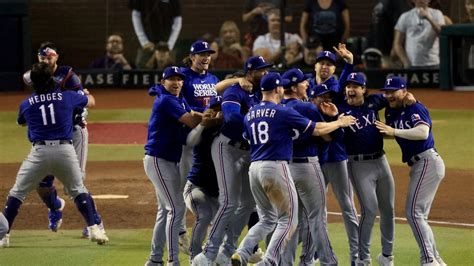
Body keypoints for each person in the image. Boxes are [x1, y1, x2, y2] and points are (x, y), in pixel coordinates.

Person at [230, 72, 355, 265]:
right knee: (300, 219)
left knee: (269, 219)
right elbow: (321, 132)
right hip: (286, 167)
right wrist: (339, 121)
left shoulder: (250, 113)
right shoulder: (288, 111)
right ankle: (283, 261)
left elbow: (247, 138)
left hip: (255, 168)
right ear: (278, 88)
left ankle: (244, 252)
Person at [0, 62, 107, 248]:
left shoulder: (26, 103)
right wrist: (85, 93)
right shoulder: (67, 96)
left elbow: (21, 122)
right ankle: (94, 228)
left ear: (33, 83)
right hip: (65, 151)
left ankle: (4, 236)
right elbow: (88, 101)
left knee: (18, 192)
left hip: (39, 153)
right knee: (77, 189)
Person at [192, 56, 272, 265]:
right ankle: (207, 254)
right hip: (226, 147)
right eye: (261, 70)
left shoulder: (262, 94)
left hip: (248, 151)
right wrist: (256, 120)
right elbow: (231, 117)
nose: (265, 73)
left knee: (248, 203)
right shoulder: (235, 91)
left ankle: (227, 250)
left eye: (267, 70)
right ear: (249, 72)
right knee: (229, 201)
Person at [23, 42, 106, 239]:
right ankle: (55, 206)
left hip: (74, 132)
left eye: (50, 56)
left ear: (57, 57)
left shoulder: (67, 75)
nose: (47, 60)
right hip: (48, 134)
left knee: (75, 183)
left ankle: (97, 223)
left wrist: (81, 101)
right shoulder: (32, 75)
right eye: (43, 57)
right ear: (38, 59)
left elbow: (87, 100)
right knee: (41, 183)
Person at [143, 66, 217, 266]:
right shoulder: (167, 100)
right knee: (176, 209)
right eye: (171, 79)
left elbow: (194, 112)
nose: (176, 82)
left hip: (165, 160)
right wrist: (214, 118)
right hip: (159, 159)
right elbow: (192, 121)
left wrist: (205, 114)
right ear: (163, 82)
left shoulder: (177, 99)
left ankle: (155, 259)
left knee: (164, 210)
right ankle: (172, 261)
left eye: (179, 79)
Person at [376, 77, 447, 266]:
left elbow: (422, 132)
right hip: (419, 165)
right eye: (386, 91)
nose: (389, 95)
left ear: (404, 91)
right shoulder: (392, 111)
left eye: (393, 91)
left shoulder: (415, 107)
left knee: (414, 213)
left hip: (427, 161)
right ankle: (436, 260)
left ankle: (428, 260)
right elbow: (393, 131)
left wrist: (394, 132)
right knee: (419, 216)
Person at [280, 68, 338, 266]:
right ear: (295, 87)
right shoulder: (307, 108)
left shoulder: (276, 106)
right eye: (304, 82)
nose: (307, 84)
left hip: (284, 167)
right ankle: (326, 262)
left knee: (289, 221)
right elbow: (327, 136)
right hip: (307, 166)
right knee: (317, 217)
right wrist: (336, 120)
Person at [338, 72, 395, 266]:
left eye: (356, 86)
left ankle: (387, 256)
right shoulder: (340, 108)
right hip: (358, 165)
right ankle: (363, 258)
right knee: (369, 210)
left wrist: (410, 99)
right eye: (348, 86)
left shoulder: (374, 102)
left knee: (388, 209)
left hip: (381, 161)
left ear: (364, 89)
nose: (351, 89)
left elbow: (394, 95)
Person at [183, 96, 222, 261]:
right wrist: (203, 124)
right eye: (215, 109)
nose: (219, 113)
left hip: (219, 192)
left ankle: (216, 255)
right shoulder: (204, 130)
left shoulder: (231, 130)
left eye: (222, 109)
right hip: (196, 187)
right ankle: (195, 257)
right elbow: (190, 141)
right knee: (204, 215)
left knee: (225, 222)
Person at [129, 0, 182, 69]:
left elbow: (177, 20)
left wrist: (170, 44)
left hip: (167, 45)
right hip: (147, 45)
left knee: (171, 74)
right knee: (142, 73)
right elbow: (136, 16)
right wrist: (144, 42)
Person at [393, 0, 445, 69]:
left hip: (433, 63)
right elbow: (397, 43)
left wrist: (428, 18)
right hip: (412, 64)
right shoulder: (405, 16)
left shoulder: (437, 14)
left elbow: (442, 33)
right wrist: (405, 61)